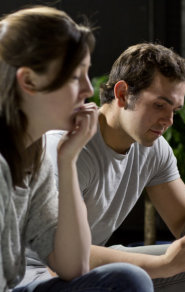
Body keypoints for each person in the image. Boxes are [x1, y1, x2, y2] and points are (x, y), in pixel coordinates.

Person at [47, 43, 185, 291]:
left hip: (89, 264)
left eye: (174, 110)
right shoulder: (69, 148)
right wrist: (164, 264)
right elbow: (58, 254)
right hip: (41, 274)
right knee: (130, 279)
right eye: (159, 105)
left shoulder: (152, 147)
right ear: (123, 94)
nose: (168, 120)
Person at [0, 6, 154, 292]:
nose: (87, 89)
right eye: (75, 77)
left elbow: (73, 266)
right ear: (29, 80)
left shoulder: (35, 156)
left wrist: (67, 160)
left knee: (126, 279)